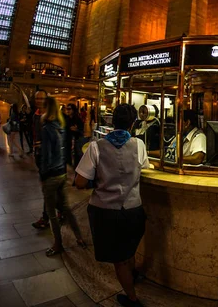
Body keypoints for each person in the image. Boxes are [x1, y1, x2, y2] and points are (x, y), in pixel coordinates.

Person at [75, 104, 149, 307]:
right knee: (128, 252)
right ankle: (132, 277)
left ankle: (132, 299)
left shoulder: (96, 147)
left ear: (111, 121)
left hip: (105, 212)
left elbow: (80, 182)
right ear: (133, 123)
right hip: (133, 210)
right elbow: (145, 168)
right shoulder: (139, 145)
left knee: (119, 260)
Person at [39, 96, 86, 256]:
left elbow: (46, 155)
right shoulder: (62, 125)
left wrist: (42, 175)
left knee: (51, 212)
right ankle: (79, 237)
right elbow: (64, 150)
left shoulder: (47, 128)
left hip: (51, 174)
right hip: (62, 172)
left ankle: (58, 244)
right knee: (65, 208)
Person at [31, 90, 62, 230]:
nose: (39, 101)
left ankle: (46, 218)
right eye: (37, 98)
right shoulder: (36, 116)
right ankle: (60, 210)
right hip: (40, 156)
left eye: (42, 98)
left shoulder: (52, 117)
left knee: (48, 189)